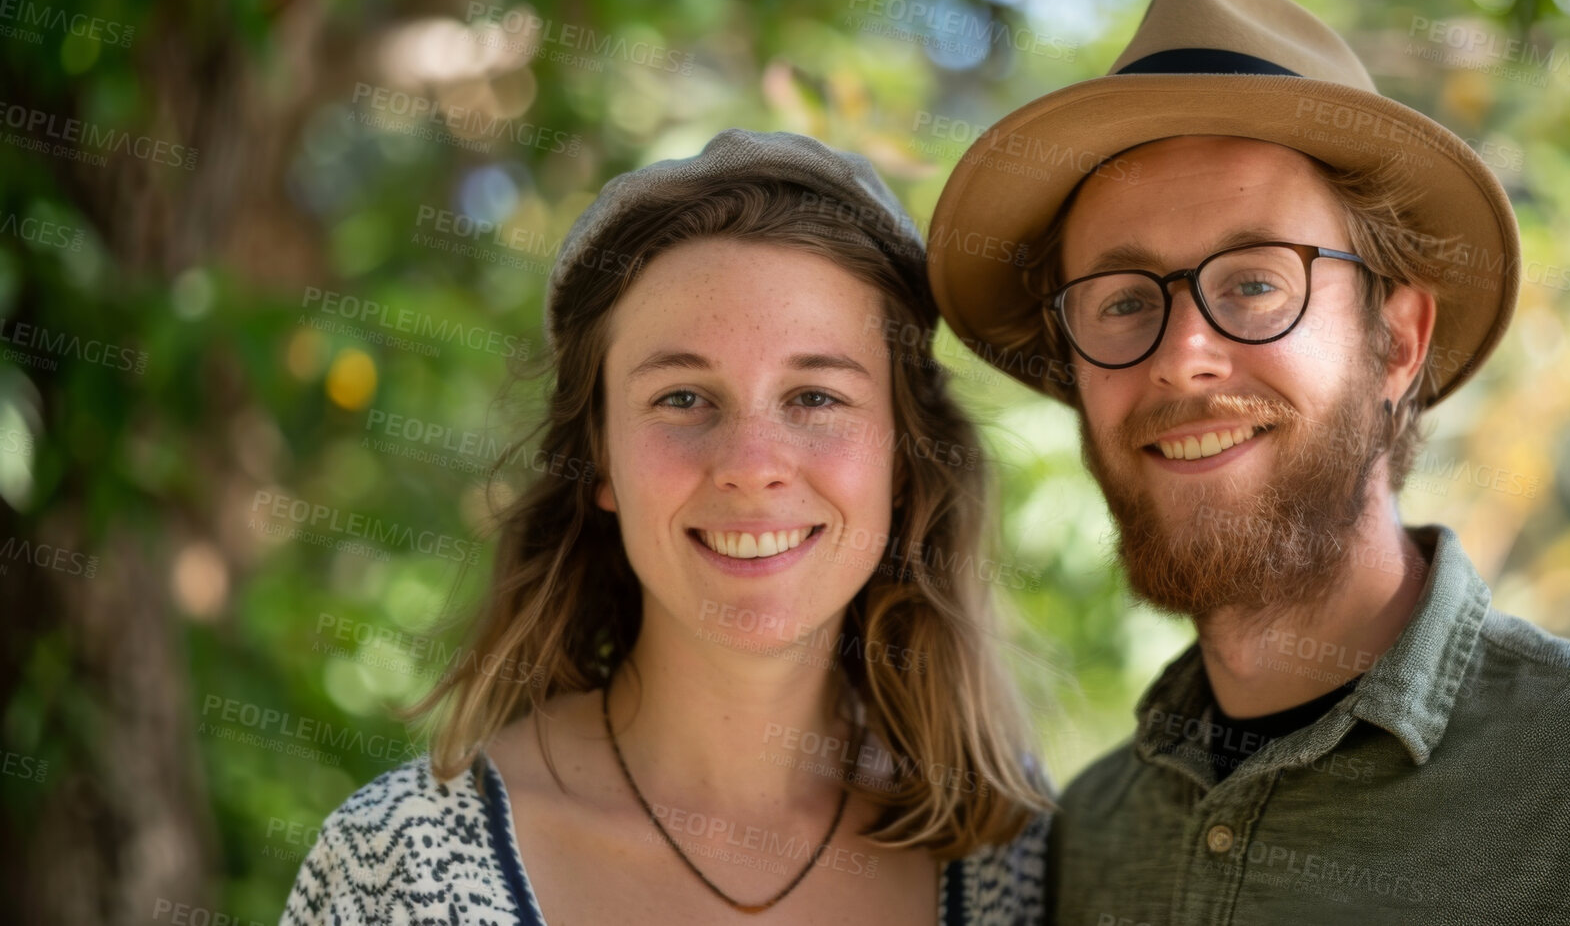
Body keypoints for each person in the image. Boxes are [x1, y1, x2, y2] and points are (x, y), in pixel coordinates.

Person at [925, 0, 1570, 924]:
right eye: (1122, 301)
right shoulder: (1085, 840)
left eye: (1253, 284)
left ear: (1397, 343)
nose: (1182, 356)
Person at [282, 129, 1052, 925]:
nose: (751, 464)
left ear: (903, 455)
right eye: (682, 397)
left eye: (816, 397)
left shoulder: (1017, 863)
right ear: (601, 460)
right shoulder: (401, 862)